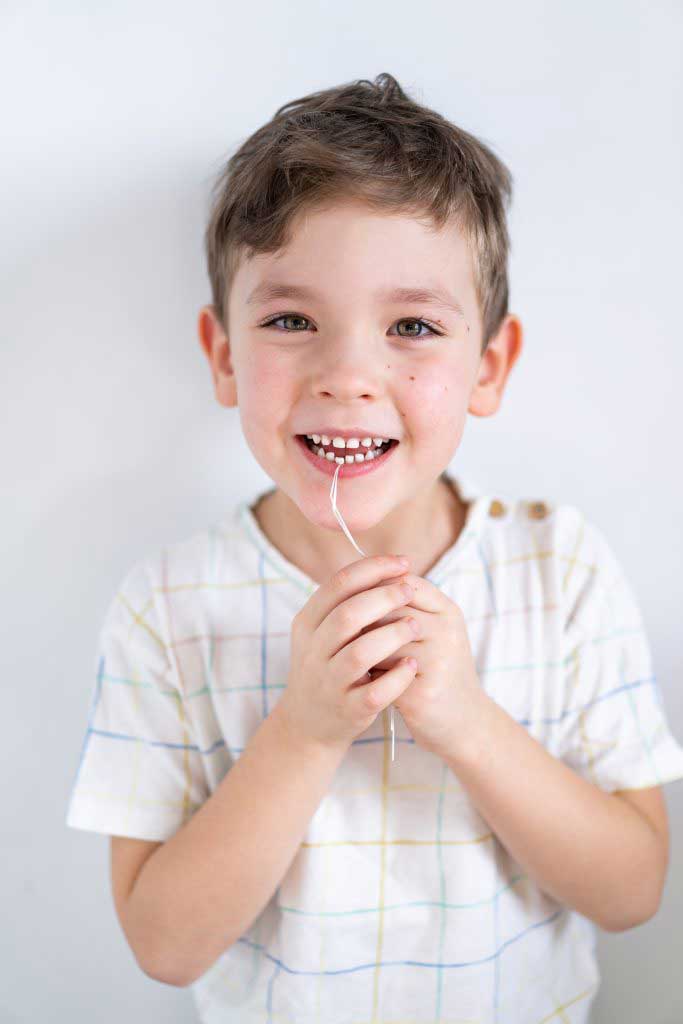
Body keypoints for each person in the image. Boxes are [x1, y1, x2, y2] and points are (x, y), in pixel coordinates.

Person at [65, 73, 683, 1023]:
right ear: (224, 355)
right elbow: (163, 945)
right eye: (289, 321)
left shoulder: (558, 569)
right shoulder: (170, 605)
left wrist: (468, 722)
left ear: (488, 366)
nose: (349, 376)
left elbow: (631, 891)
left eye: (411, 327)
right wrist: (304, 733)